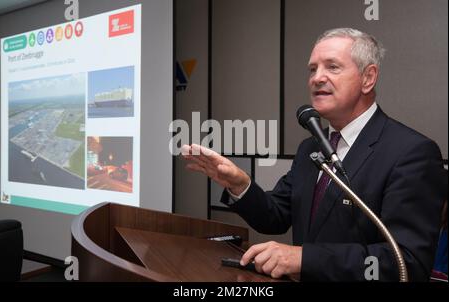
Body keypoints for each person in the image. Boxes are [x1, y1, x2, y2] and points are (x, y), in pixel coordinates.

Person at [182, 28, 446, 281]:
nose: (317, 78)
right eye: (312, 69)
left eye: (332, 67)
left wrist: (305, 259)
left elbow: (406, 263)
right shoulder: (311, 147)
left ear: (368, 78)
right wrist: (239, 184)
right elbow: (275, 217)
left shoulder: (412, 153)